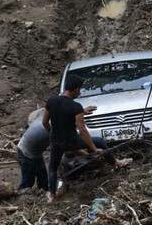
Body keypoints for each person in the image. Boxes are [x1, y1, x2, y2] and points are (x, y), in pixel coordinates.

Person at [42, 74, 132, 202]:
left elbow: (44, 122)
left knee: (52, 167)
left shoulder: (52, 100)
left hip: (56, 142)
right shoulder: (75, 106)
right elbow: (82, 130)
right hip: (72, 141)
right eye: (80, 90)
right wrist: (94, 148)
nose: (80, 92)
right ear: (76, 90)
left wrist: (52, 134)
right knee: (100, 141)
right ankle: (116, 162)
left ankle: (51, 194)